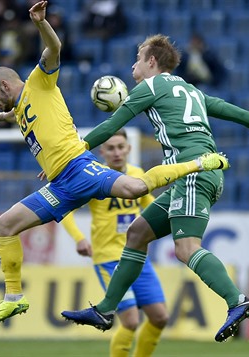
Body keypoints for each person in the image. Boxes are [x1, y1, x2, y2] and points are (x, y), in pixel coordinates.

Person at [0, 1, 228, 326]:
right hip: (60, 183)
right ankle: (14, 297)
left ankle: (199, 164)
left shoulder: (39, 81)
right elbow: (20, 113)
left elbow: (54, 47)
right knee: (4, 226)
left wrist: (41, 23)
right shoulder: (22, 105)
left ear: (6, 85)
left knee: (136, 186)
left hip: (80, 167)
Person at [60, 34, 249, 343]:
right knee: (138, 233)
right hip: (198, 173)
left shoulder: (150, 87)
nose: (134, 64)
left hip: (193, 174)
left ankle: (237, 300)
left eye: (138, 58)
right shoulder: (192, 91)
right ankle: (105, 309)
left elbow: (111, 126)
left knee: (186, 248)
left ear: (152, 62)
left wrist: (70, 155)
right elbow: (233, 110)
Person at [60, 129, 167, 357]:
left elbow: (151, 206)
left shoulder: (137, 174)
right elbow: (65, 211)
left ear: (129, 148)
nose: (117, 152)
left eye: (121, 147)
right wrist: (79, 238)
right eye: (111, 148)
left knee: (160, 317)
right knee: (130, 321)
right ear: (102, 152)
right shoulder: (94, 177)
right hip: (108, 258)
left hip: (137, 257)